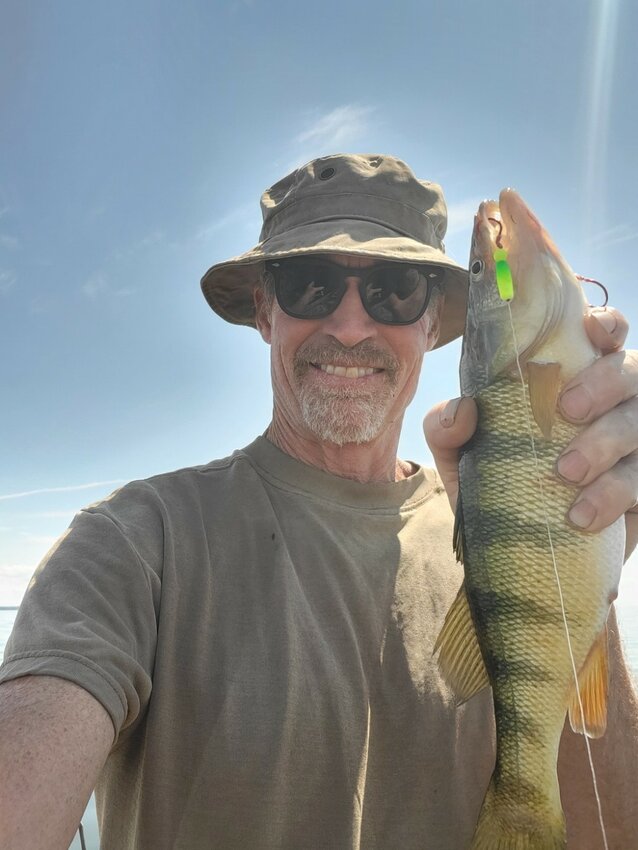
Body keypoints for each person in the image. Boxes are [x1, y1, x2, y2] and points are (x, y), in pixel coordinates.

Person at [1, 153, 637, 850]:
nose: (352, 327)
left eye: (395, 289)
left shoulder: (477, 528)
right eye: (310, 284)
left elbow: (610, 828)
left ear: (433, 323)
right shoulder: (132, 544)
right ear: (263, 309)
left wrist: (585, 544)